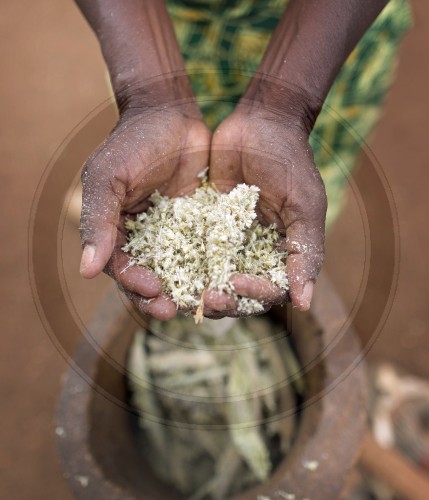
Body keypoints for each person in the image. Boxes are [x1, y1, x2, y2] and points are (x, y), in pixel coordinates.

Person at [76, 0, 411, 321]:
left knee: (295, 186)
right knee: (147, 166)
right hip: (149, 34)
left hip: (324, 40)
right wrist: (150, 96)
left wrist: (285, 108)